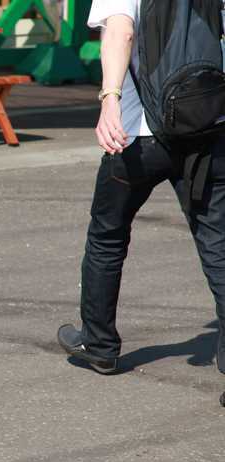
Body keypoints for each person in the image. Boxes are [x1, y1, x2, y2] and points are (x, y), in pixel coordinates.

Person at [58, 0, 225, 377]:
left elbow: (121, 31)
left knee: (108, 235)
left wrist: (109, 99)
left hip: (138, 133)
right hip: (205, 123)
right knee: (218, 245)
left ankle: (99, 344)